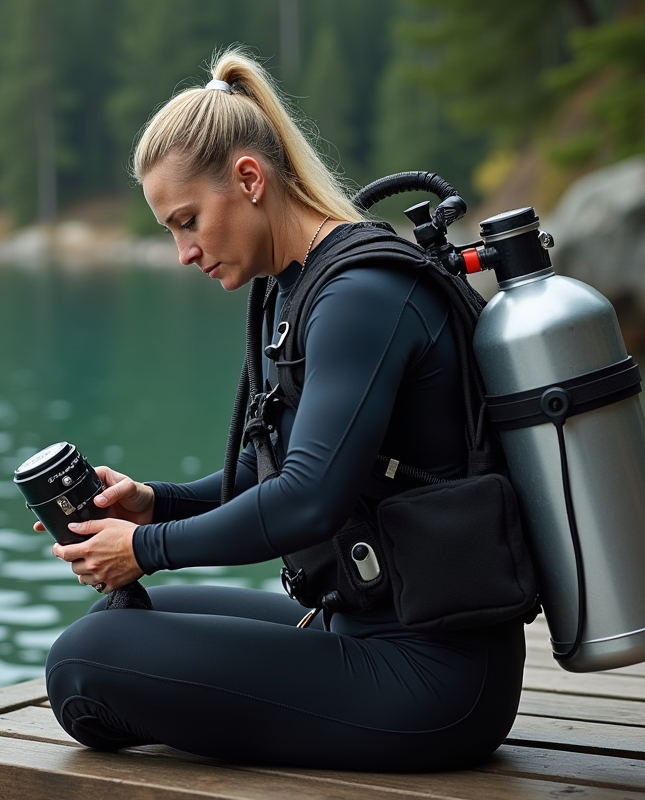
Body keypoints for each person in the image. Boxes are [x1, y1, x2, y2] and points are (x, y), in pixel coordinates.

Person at [43, 47, 525, 772]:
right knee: (123, 618)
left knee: (85, 662)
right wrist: (153, 504)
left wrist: (144, 550)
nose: (183, 251)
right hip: (357, 625)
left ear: (248, 178)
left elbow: (307, 501)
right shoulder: (298, 290)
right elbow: (264, 471)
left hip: (437, 680)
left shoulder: (361, 294)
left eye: (188, 220)